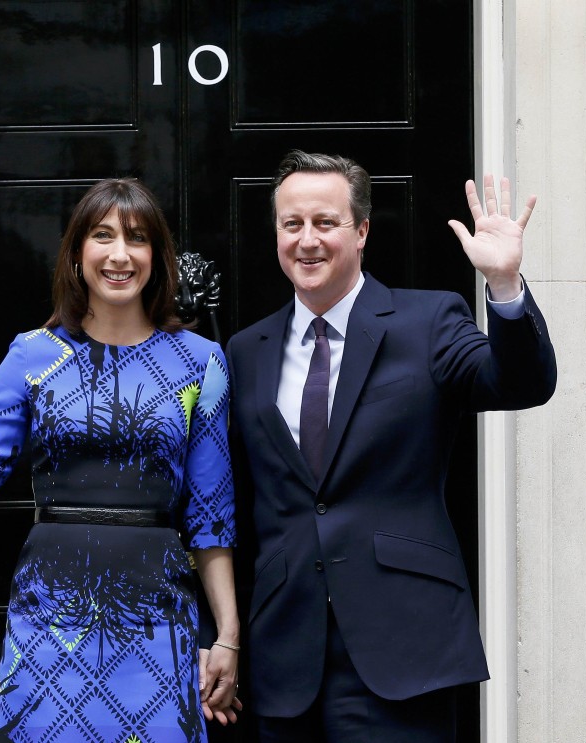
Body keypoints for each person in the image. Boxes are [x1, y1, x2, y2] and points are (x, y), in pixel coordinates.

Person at [0, 178, 240, 742]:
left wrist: (228, 636)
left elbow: (212, 516)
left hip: (157, 615)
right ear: (76, 253)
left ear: (156, 257)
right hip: (51, 614)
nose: (120, 254)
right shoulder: (33, 354)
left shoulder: (201, 361)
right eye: (103, 236)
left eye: (137, 239)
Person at [225, 151, 557, 742]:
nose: (307, 241)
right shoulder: (248, 350)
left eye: (325, 222)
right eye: (291, 224)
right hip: (285, 655)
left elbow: (520, 383)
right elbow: (240, 502)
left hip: (403, 646)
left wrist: (504, 284)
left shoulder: (427, 319)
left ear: (362, 230)